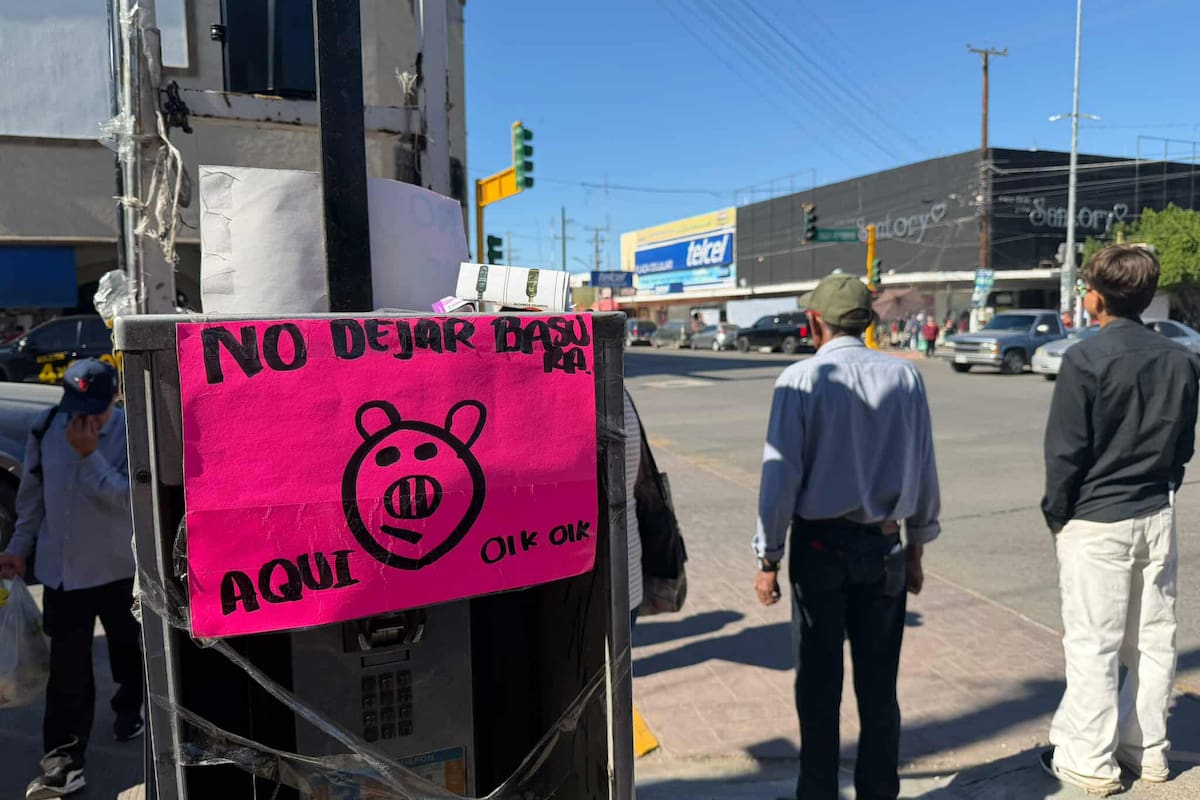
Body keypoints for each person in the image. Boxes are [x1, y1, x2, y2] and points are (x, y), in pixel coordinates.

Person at [754, 274, 941, 800]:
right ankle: (879, 792)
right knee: (879, 688)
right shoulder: (905, 379)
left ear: (816, 322)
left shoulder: (798, 380)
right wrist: (918, 548)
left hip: (818, 549)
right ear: (869, 321)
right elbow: (922, 468)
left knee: (818, 686)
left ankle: (817, 793)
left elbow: (780, 478)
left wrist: (768, 557)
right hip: (885, 547)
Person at [1040, 245, 1200, 795]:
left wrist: (1058, 514)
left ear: (1095, 298)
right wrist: (1162, 487)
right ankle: (1147, 749)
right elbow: (1182, 446)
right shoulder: (1181, 359)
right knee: (1154, 638)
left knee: (1094, 643)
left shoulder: (1085, 359)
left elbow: (1065, 453)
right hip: (1156, 510)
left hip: (1096, 518)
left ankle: (1089, 761)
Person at [0, 359, 143, 800]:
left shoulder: (131, 433)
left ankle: (130, 706)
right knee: (68, 675)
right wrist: (18, 550)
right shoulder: (46, 428)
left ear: (112, 400)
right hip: (63, 577)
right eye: (77, 405)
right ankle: (63, 763)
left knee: (127, 653)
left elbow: (129, 499)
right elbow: (33, 500)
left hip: (117, 572)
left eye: (94, 408)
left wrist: (90, 456)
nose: (85, 417)